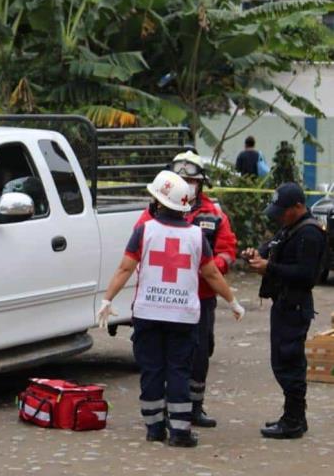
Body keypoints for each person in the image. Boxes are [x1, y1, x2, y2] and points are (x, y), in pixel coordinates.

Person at [98, 170, 244, 447]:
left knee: (151, 370)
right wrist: (233, 302)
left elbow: (125, 268)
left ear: (159, 202)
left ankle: (154, 428)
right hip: (182, 316)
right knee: (179, 370)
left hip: (148, 313)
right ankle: (180, 432)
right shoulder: (196, 236)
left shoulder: (144, 230)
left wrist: (107, 299)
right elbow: (212, 275)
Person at [134, 151, 238, 428]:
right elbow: (137, 252)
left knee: (200, 353)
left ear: (200, 183)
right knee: (159, 358)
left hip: (200, 297)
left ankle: (193, 407)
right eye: (182, 179)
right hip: (161, 298)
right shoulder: (151, 213)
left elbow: (227, 251)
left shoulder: (213, 214)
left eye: (191, 180)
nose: (186, 185)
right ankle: (164, 412)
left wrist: (208, 267)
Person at [242, 182, 327, 439]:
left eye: (283, 210)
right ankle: (292, 417)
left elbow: (306, 275)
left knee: (289, 362)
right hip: (284, 303)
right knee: (281, 361)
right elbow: (272, 247)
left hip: (295, 305)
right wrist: (255, 254)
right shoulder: (290, 228)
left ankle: (293, 420)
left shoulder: (310, 234)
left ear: (298, 207)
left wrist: (269, 267)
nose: (279, 215)